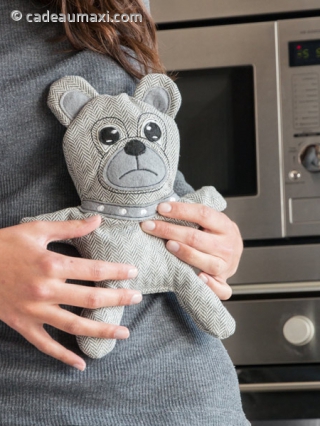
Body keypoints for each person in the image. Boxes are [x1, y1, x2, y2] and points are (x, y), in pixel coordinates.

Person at [0, 0, 249, 425]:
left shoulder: (113, 5)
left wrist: (215, 239)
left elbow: (154, 171)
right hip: (30, 397)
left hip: (192, 393)